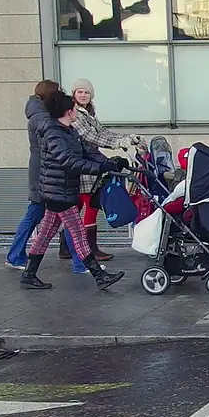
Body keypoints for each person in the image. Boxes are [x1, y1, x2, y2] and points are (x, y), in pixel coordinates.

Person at [21, 91, 126, 291]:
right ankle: (99, 275)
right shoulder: (53, 133)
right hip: (57, 191)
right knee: (78, 233)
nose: (76, 110)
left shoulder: (69, 131)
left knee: (45, 234)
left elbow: (88, 152)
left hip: (63, 189)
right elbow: (68, 161)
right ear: (68, 111)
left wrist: (110, 163)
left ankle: (29, 274)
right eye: (74, 108)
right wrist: (100, 168)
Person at [64, 78, 136, 274]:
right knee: (81, 209)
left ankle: (78, 252)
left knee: (72, 213)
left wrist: (123, 139)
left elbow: (103, 132)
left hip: (89, 164)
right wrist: (119, 143)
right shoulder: (74, 115)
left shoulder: (89, 113)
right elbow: (91, 137)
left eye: (86, 92)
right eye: (79, 92)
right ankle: (85, 253)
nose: (83, 95)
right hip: (83, 167)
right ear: (73, 95)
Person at [6, 79, 79, 270]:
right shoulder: (42, 118)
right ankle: (81, 263)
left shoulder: (39, 114)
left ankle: (19, 257)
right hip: (44, 171)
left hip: (43, 169)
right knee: (49, 215)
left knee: (44, 216)